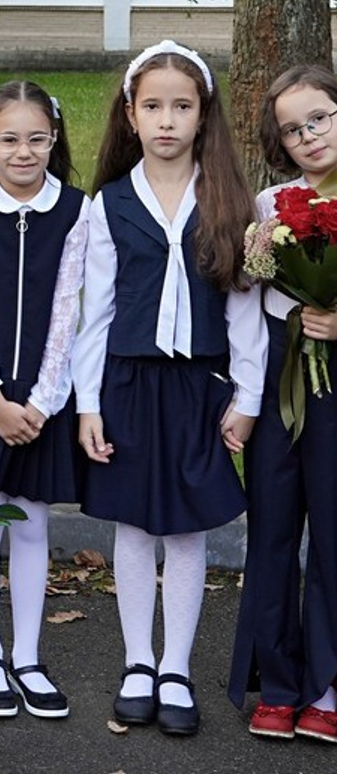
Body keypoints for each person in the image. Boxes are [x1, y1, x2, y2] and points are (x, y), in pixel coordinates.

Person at [73, 40, 265, 738]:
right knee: (132, 524)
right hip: (128, 381)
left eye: (181, 106)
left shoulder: (229, 200)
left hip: (199, 386)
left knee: (185, 527)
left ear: (202, 115)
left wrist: (247, 397)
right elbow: (93, 311)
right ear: (130, 114)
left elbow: (244, 307)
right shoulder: (109, 204)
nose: (166, 120)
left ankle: (176, 667)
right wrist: (88, 403)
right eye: (152, 106)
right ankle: (138, 663)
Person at [0, 81, 88, 720]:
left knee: (30, 525)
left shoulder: (77, 209)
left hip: (41, 401)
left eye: (36, 139)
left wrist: (42, 399)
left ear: (54, 140)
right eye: (9, 139)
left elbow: (69, 308)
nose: (23, 152)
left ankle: (27, 656)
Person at [229, 64, 337, 742]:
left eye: (320, 118)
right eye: (293, 130)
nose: (309, 136)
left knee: (331, 527)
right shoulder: (271, 205)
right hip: (276, 376)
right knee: (271, 525)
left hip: (333, 381)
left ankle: (326, 686)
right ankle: (277, 681)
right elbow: (246, 301)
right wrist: (246, 397)